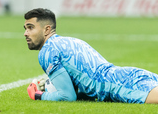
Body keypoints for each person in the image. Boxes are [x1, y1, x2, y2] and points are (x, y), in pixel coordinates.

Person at [24, 8, 158, 104]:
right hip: (129, 74)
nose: (25, 33)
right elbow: (86, 84)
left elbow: (67, 97)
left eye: (30, 27)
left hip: (119, 86)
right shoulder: (71, 41)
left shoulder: (47, 52)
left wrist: (39, 95)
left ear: (47, 29)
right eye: (25, 28)